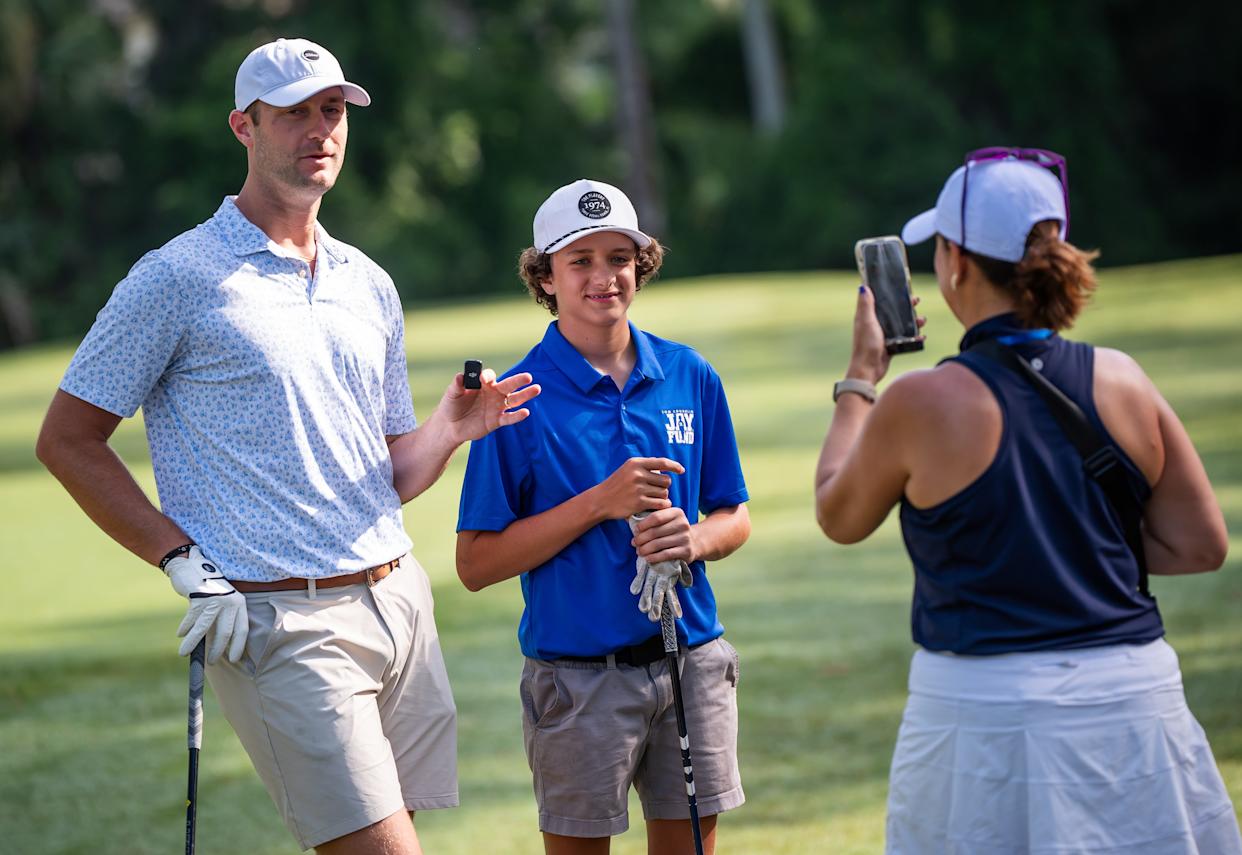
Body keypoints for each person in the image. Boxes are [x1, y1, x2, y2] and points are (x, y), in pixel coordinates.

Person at [35, 37, 539, 855]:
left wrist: (450, 428)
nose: (320, 129)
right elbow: (67, 439)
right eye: (295, 112)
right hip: (279, 622)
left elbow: (384, 476)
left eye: (333, 110)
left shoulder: (367, 280)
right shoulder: (178, 276)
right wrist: (179, 559)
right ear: (244, 126)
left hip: (397, 600)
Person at [814, 148, 1240, 853]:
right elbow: (1201, 543)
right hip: (1136, 705)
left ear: (953, 260)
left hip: (985, 719)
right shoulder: (1124, 378)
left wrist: (861, 377)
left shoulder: (921, 401)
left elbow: (837, 512)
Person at [455, 178, 751, 855]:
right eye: (579, 260)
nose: (603, 276)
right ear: (545, 276)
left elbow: (734, 514)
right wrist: (599, 503)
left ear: (640, 265)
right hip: (580, 678)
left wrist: (695, 538)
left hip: (691, 660)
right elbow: (476, 563)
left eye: (619, 256)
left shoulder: (688, 373)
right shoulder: (518, 398)